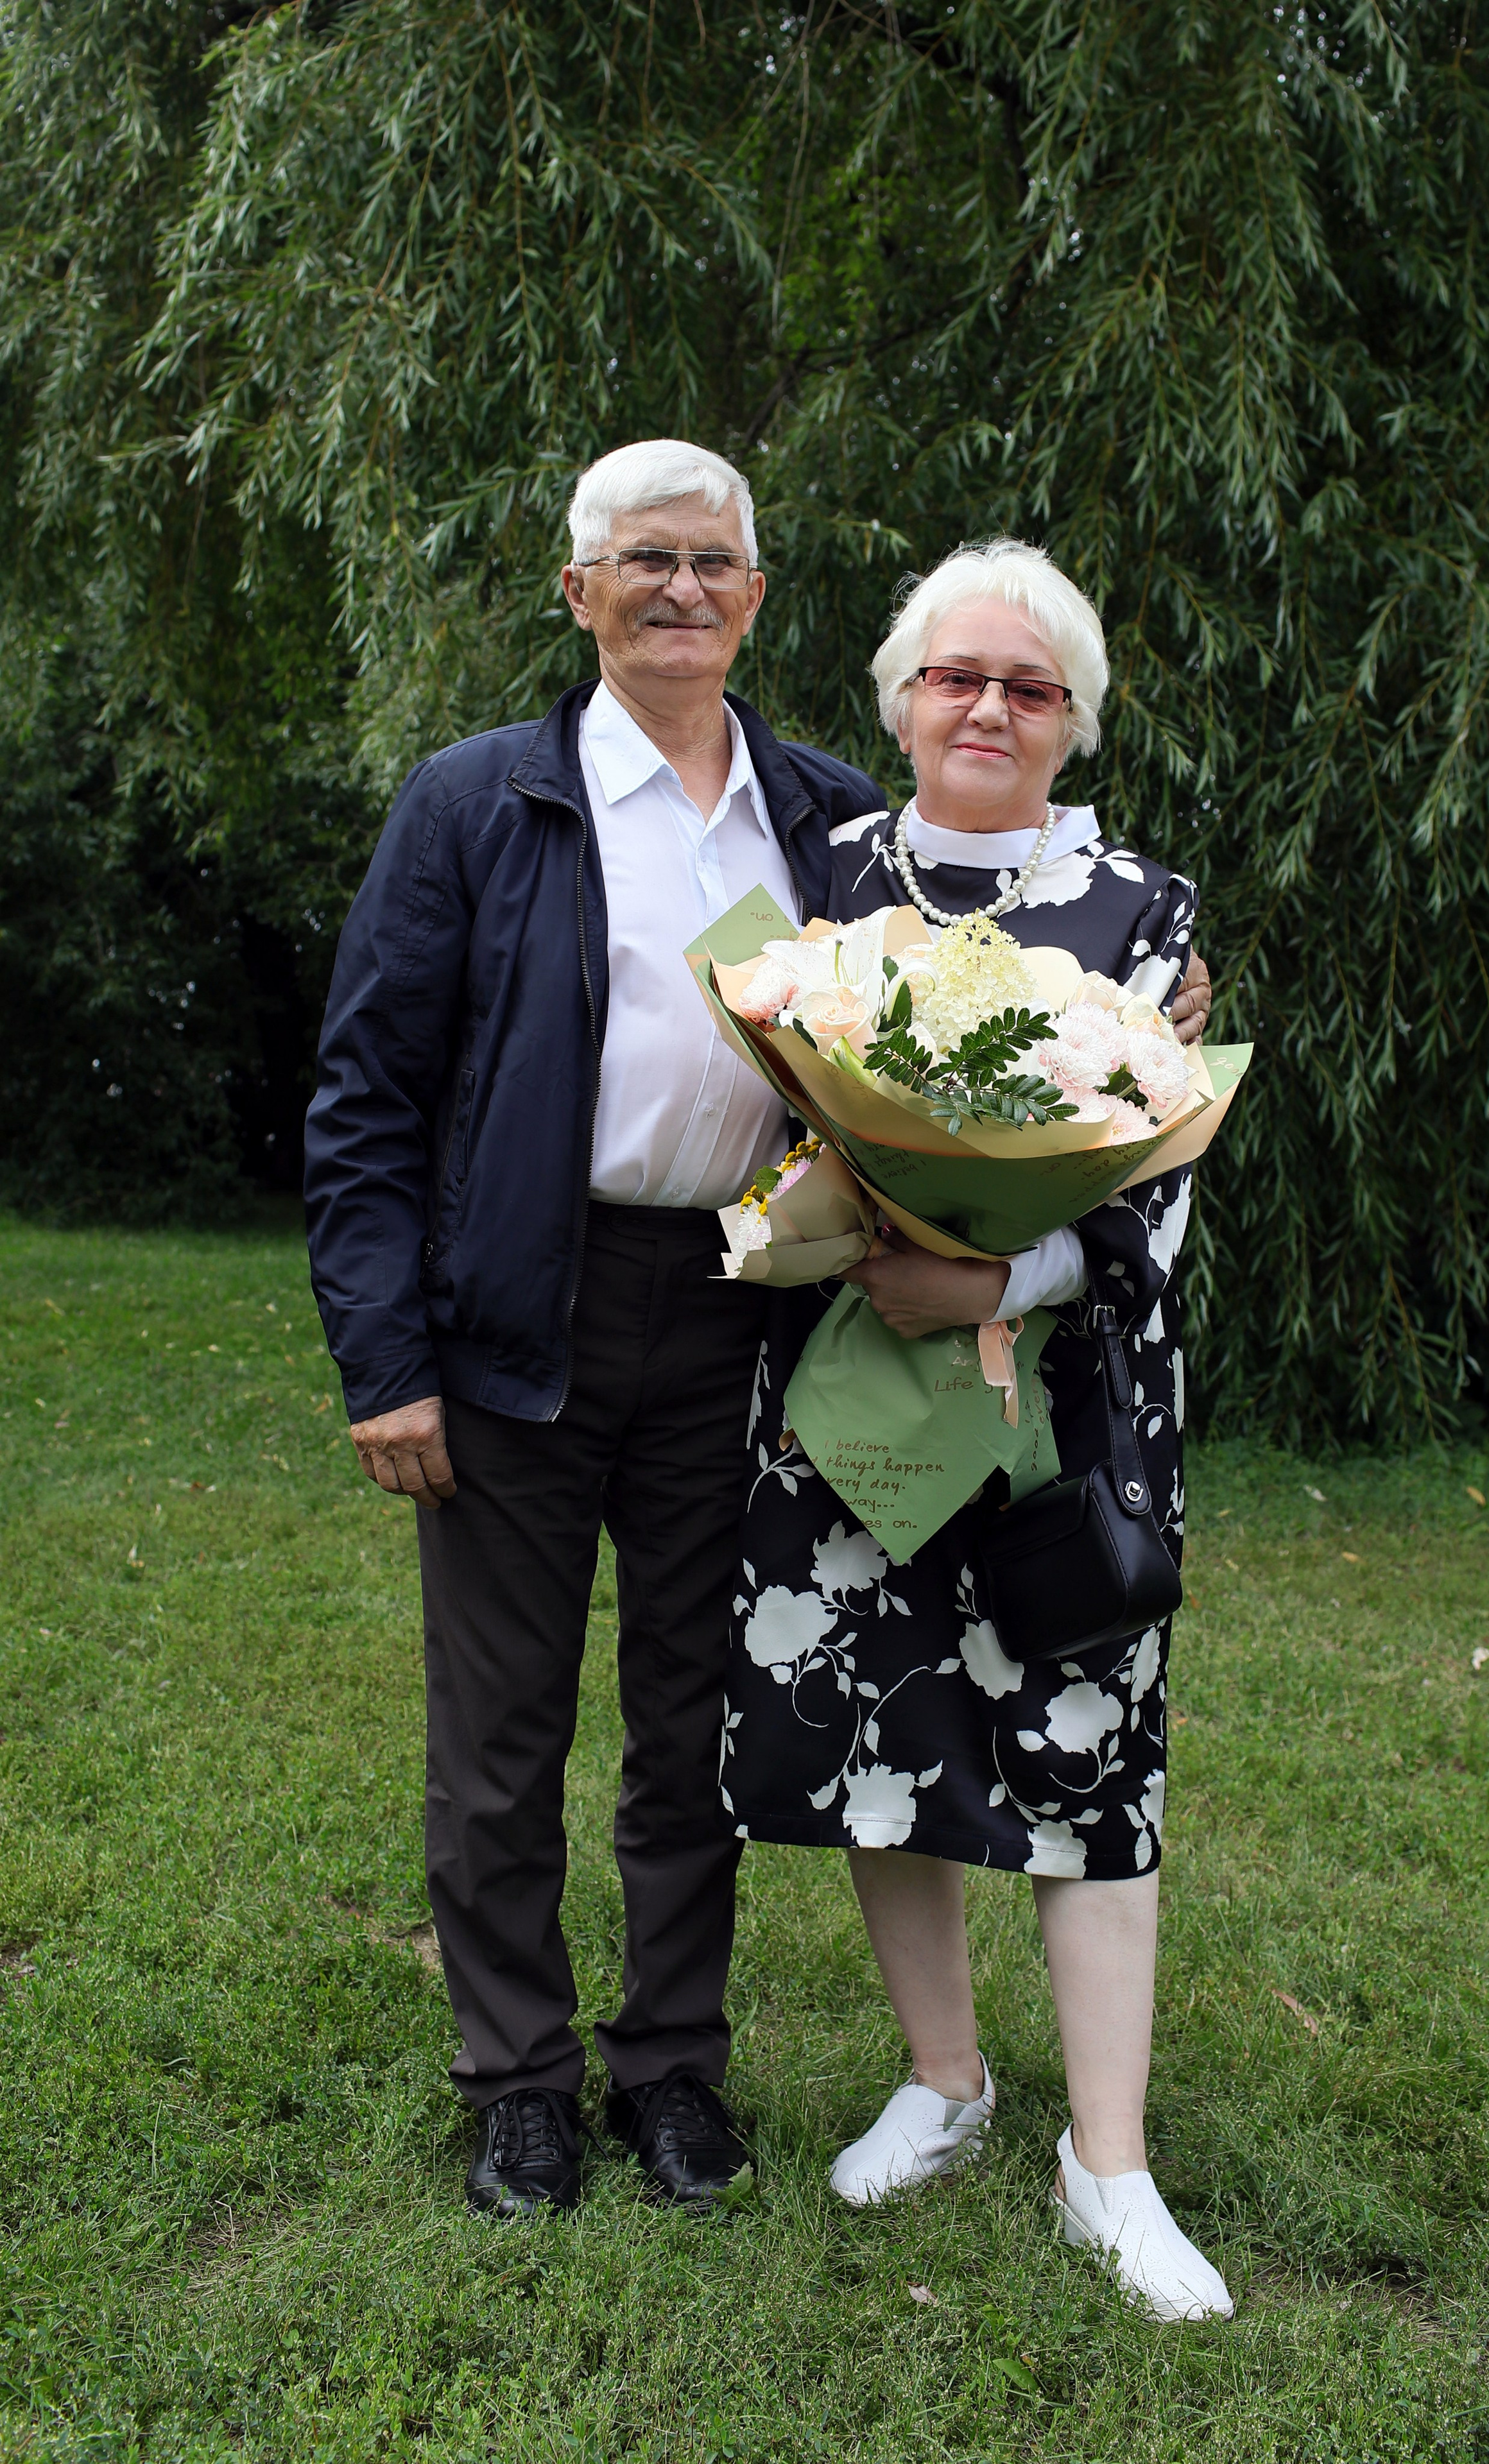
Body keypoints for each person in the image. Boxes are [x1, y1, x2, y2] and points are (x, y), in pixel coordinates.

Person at [307, 438, 1213, 2225]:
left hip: (734, 1315)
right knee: (499, 1727)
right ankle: (516, 2088)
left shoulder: (811, 818)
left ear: (757, 596)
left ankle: (667, 2072)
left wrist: (1151, 1019)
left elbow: (967, 967)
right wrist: (384, 1357)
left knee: (687, 1720)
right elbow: (364, 1098)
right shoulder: (481, 803)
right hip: (519, 1303)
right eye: (644, 560)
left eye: (714, 561)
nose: (681, 589)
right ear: (580, 593)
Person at [721, 540, 1234, 2321]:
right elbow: (775, 1120)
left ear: (1076, 720)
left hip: (1066, 1415)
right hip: (859, 1396)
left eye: (1031, 687)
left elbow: (1157, 1186)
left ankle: (1114, 2165)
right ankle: (945, 2082)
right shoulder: (823, 889)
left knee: (1088, 1758)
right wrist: (828, 1230)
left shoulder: (1143, 909)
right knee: (891, 1747)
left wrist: (997, 1285)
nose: (991, 709)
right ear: (902, 699)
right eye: (959, 678)